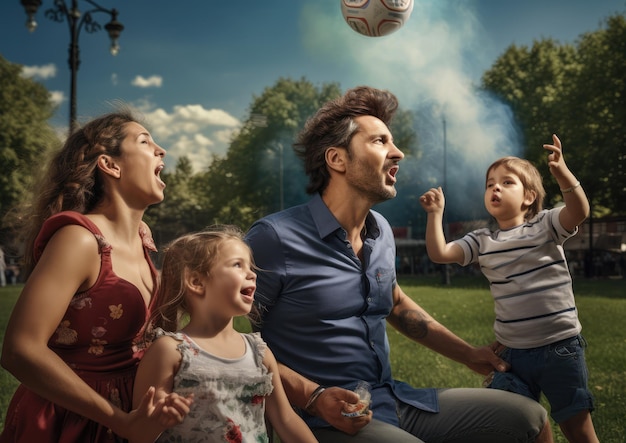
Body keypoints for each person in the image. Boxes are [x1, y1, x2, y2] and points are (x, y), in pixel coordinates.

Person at [244, 85, 553, 442]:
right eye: (380, 142)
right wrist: (313, 397)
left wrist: (468, 354)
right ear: (337, 159)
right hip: (318, 420)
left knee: (531, 417)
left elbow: (393, 301)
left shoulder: (382, 232)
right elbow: (231, 343)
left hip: (391, 398)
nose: (399, 153)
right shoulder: (274, 237)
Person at [0, 110, 192, 443]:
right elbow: (20, 350)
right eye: (145, 141)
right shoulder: (79, 239)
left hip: (129, 420)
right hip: (70, 423)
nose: (161, 150)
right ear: (110, 164)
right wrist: (119, 420)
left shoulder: (144, 241)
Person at [419, 135, 598, 443]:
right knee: (519, 424)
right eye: (490, 184)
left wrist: (562, 173)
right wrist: (435, 215)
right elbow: (440, 254)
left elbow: (579, 211)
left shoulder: (546, 224)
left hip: (560, 348)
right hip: (512, 355)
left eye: (506, 183)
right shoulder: (481, 240)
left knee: (576, 426)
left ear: (529, 196)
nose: (495, 188)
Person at [132, 226, 318, 443]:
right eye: (238, 265)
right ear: (196, 282)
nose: (252, 274)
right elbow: (138, 435)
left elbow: (285, 420)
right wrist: (157, 419)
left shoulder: (259, 353)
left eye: (250, 266)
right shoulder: (170, 351)